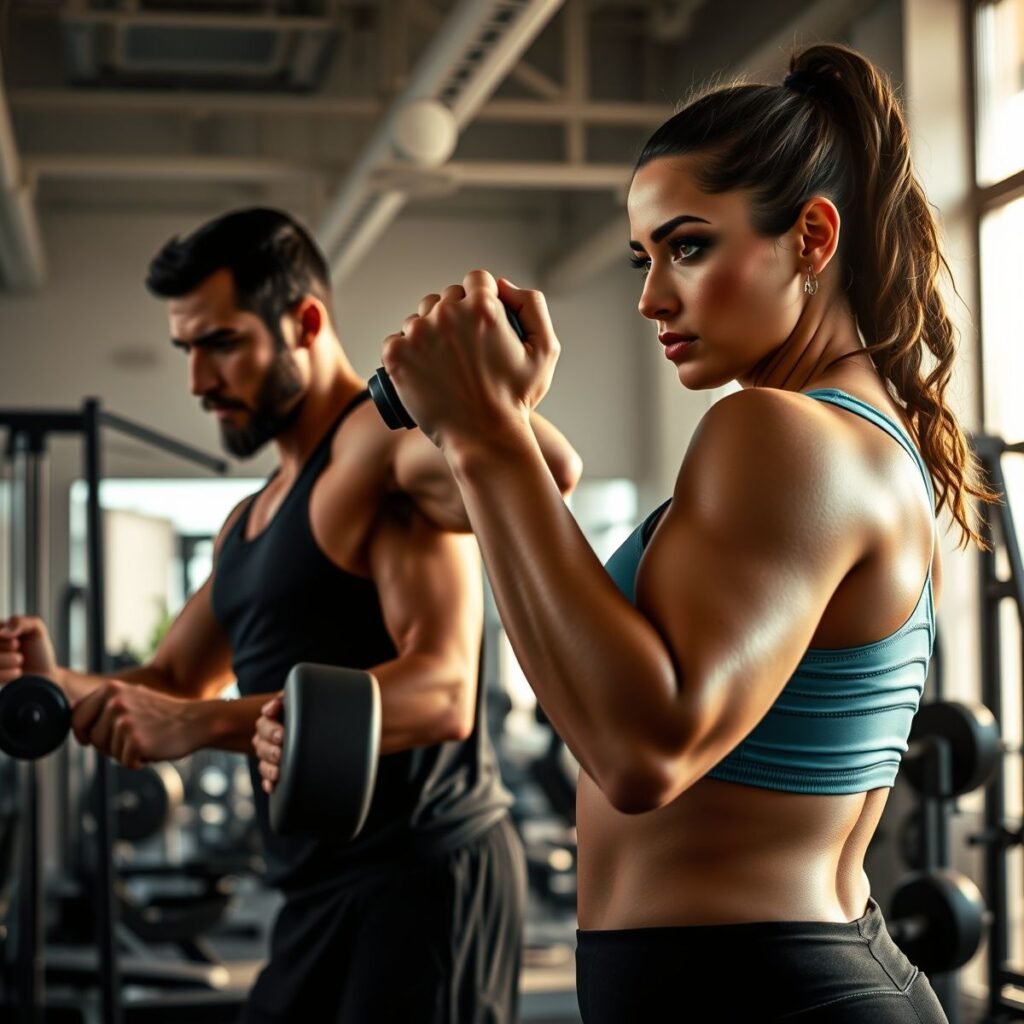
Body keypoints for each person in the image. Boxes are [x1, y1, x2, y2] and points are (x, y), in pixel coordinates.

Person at [373, 44, 995, 1023]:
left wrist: (486, 435)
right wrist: (482, 441)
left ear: (811, 238)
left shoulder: (782, 431)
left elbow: (643, 752)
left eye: (688, 245)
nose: (651, 296)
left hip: (767, 990)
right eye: (644, 257)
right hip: (744, 976)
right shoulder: (831, 435)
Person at [0, 207, 582, 1023]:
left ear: (304, 321)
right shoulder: (249, 519)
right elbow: (172, 680)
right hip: (315, 889)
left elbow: (444, 693)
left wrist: (200, 726)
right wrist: (56, 685)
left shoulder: (384, 449)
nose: (199, 379)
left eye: (222, 343)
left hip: (424, 878)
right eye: (187, 350)